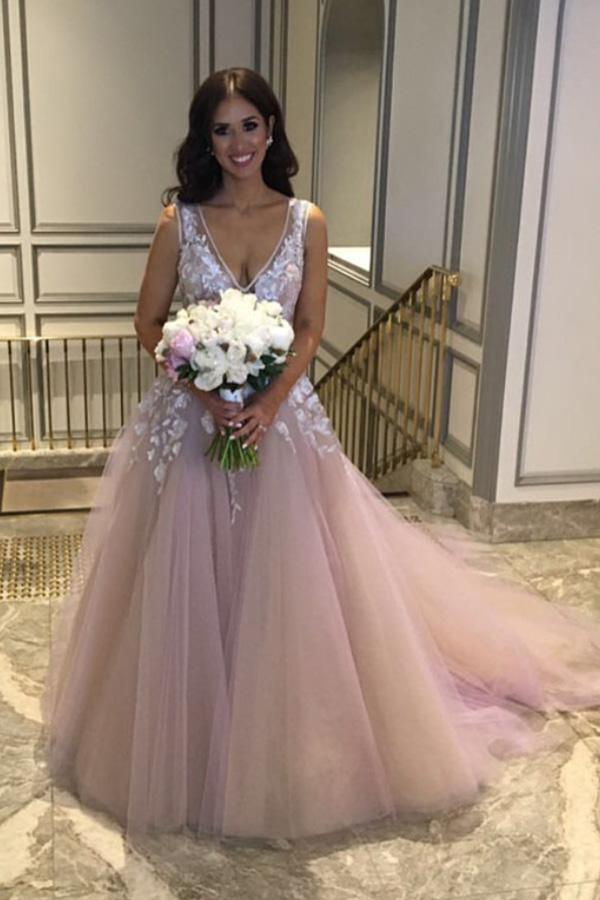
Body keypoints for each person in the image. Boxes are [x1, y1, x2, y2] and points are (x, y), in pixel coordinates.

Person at [41, 67, 600, 843]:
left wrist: (269, 403)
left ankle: (291, 731)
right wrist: (204, 389)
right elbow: (148, 322)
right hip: (191, 425)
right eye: (222, 130)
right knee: (181, 579)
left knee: (298, 582)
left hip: (282, 425)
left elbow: (308, 329)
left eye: (250, 125)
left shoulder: (306, 219)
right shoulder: (180, 222)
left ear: (272, 129)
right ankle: (188, 731)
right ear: (206, 140)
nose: (238, 143)